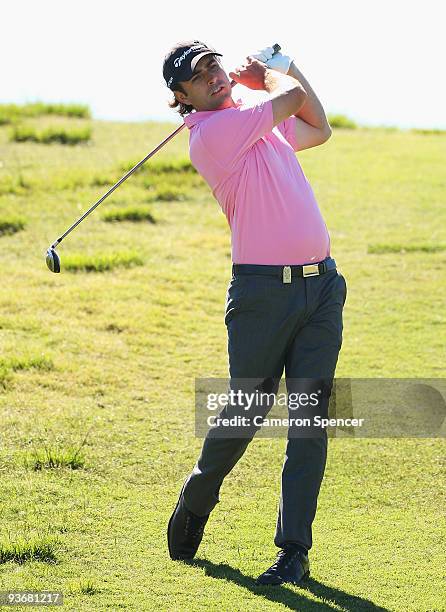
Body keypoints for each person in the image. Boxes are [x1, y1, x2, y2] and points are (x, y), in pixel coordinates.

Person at [163, 40, 347, 586]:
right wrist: (267, 75)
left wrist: (282, 71)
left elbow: (318, 125)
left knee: (310, 422)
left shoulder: (250, 122)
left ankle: (294, 550)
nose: (215, 77)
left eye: (215, 65)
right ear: (182, 97)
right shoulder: (214, 134)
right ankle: (197, 496)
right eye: (200, 76)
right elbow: (288, 101)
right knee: (247, 411)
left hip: (322, 289)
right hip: (262, 294)